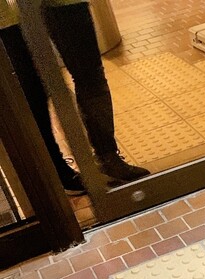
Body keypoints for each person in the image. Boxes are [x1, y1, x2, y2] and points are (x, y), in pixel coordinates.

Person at [0, 0, 149, 195]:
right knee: (35, 91)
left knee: (90, 75)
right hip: (9, 15)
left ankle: (108, 158)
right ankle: (58, 171)